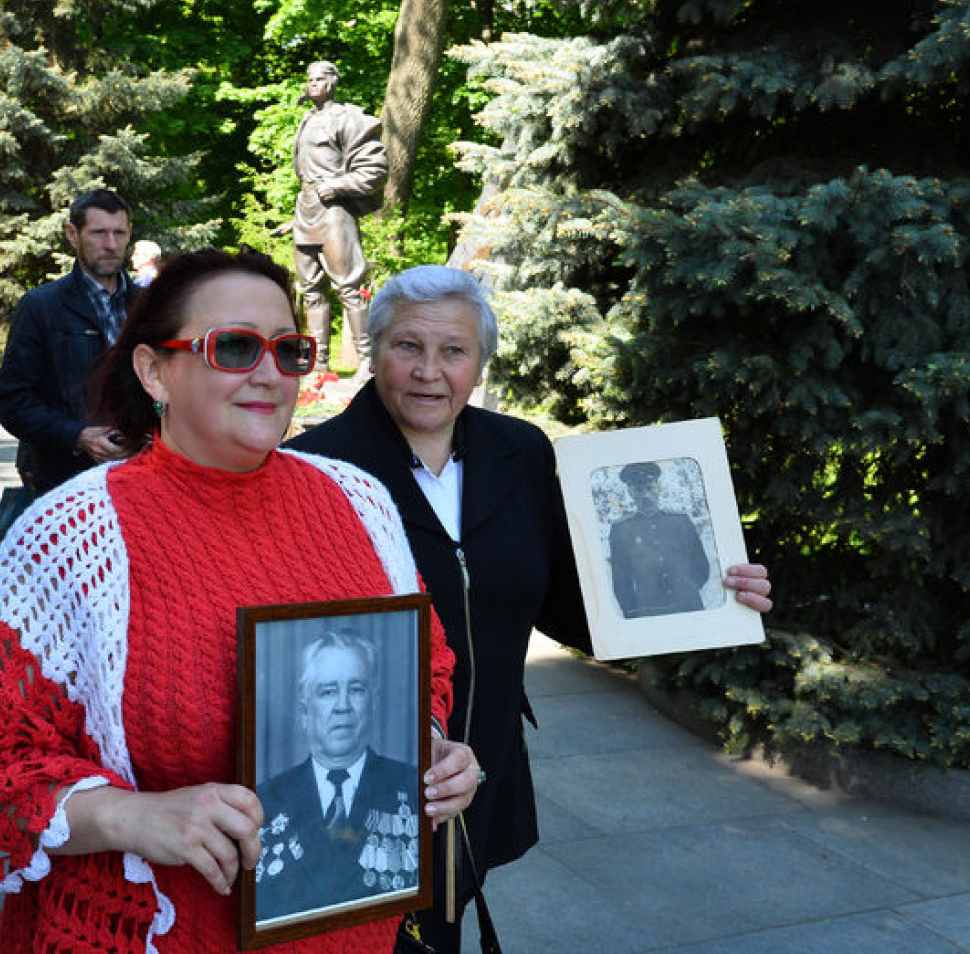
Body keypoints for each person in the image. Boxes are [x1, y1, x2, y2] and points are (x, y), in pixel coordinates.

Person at [0, 248, 481, 953]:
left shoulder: (359, 500)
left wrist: (426, 747)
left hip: (343, 929)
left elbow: (420, 662)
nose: (269, 372)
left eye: (289, 350)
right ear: (156, 370)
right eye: (236, 346)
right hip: (158, 931)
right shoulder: (68, 536)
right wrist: (134, 816)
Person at [285, 264, 774, 953]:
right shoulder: (314, 469)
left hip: (484, 759)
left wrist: (713, 599)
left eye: (453, 350)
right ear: (375, 351)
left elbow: (571, 604)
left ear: (479, 361)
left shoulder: (519, 451)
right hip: (369, 776)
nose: (430, 371)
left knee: (448, 915)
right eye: (408, 346)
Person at [256, 629, 420, 922]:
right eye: (328, 691)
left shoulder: (412, 785)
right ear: (305, 712)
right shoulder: (264, 802)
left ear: (372, 702)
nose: (342, 706)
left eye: (355, 689)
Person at [0, 189, 136, 493]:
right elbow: (11, 400)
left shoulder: (151, 305)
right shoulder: (42, 306)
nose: (111, 245)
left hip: (142, 474)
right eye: (98, 233)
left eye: (119, 233)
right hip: (66, 481)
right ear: (73, 234)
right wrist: (77, 435)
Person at [279, 61, 388, 369]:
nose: (312, 84)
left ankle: (369, 364)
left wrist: (337, 185)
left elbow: (376, 171)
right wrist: (296, 218)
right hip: (307, 212)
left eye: (319, 79)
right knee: (310, 290)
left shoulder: (349, 118)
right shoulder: (306, 120)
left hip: (335, 215)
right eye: (309, 79)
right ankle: (317, 364)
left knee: (350, 288)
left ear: (331, 84)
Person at [608, 461, 711, 618]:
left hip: (689, 607)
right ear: (630, 493)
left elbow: (701, 564)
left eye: (649, 488)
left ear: (659, 488)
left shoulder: (681, 521)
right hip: (650, 611)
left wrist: (687, 588)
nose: (645, 496)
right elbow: (621, 582)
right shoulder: (621, 530)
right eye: (638, 490)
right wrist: (635, 615)